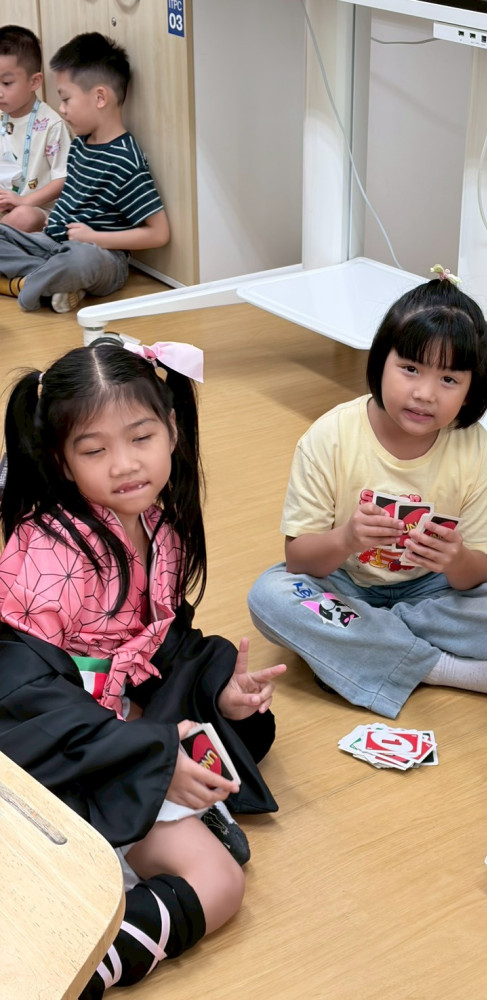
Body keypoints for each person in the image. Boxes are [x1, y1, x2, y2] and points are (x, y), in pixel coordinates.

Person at [0, 337, 287, 997]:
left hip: (111, 727)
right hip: (51, 746)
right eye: (94, 450)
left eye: (141, 437)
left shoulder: (160, 525)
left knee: (221, 866)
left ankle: (85, 964)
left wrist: (221, 691)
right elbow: (25, 696)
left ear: (173, 430)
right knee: (218, 881)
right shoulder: (44, 554)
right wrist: (146, 754)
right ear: (60, 460)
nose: (126, 464)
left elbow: (162, 642)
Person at [248, 267, 487, 719]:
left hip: (430, 591)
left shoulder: (478, 450)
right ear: (380, 363)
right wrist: (347, 538)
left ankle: (356, 646)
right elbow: (299, 560)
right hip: (343, 581)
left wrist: (455, 559)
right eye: (410, 369)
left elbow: (476, 574)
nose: (425, 393)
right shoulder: (330, 436)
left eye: (449, 379)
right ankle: (443, 668)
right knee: (268, 596)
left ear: (471, 391)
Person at [0, 31, 168, 314]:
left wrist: (96, 238)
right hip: (53, 244)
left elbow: (159, 233)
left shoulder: (124, 159)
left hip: (100, 254)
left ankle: (29, 283)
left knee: (81, 260)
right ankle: (51, 282)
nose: (62, 109)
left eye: (66, 99)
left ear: (100, 97)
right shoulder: (80, 145)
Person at [0, 24, 71, 232]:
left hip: (37, 209)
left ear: (34, 82)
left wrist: (24, 201)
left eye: (6, 83)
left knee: (23, 216)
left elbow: (63, 179)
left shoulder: (51, 124)